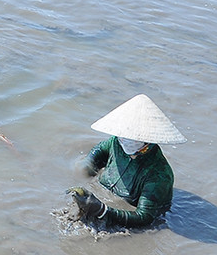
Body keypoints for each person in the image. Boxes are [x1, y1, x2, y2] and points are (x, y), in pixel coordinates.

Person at [67, 94, 185, 228]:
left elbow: (144, 217)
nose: (124, 139)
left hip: (134, 215)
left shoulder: (158, 175)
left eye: (131, 136)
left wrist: (102, 210)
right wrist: (87, 166)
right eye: (122, 134)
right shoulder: (115, 143)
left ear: (147, 138)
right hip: (107, 192)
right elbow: (99, 150)